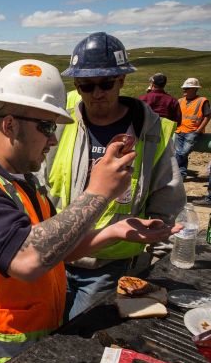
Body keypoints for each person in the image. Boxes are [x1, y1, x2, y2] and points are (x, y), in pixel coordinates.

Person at [0, 59, 179, 363]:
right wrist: (98, 192)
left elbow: (54, 249)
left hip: (23, 357)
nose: (54, 139)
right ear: (9, 125)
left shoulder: (20, 182)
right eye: (47, 126)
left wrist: (116, 232)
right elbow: (28, 259)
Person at [48, 32, 185, 320]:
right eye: (87, 85)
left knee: (83, 337)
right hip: (54, 262)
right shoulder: (60, 122)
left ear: (121, 81)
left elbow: (167, 200)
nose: (97, 93)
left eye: (106, 83)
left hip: (111, 268)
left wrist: (153, 262)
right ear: (76, 85)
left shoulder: (152, 132)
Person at [174, 77, 210, 179]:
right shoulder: (180, 101)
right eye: (184, 88)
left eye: (187, 88)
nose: (184, 90)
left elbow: (207, 116)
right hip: (179, 130)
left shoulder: (202, 101)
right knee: (179, 153)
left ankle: (177, 173)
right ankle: (181, 175)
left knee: (183, 152)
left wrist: (198, 130)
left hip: (192, 132)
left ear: (194, 89)